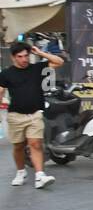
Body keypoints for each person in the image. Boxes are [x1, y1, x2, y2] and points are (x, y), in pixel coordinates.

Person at [0, 40, 64, 189]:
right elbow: (1, 90)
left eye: (26, 56)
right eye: (20, 56)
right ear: (13, 57)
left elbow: (59, 61)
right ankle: (21, 172)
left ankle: (40, 176)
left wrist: (40, 53)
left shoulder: (37, 68)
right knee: (18, 146)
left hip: (35, 114)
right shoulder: (6, 73)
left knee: (35, 144)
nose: (24, 59)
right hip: (15, 116)